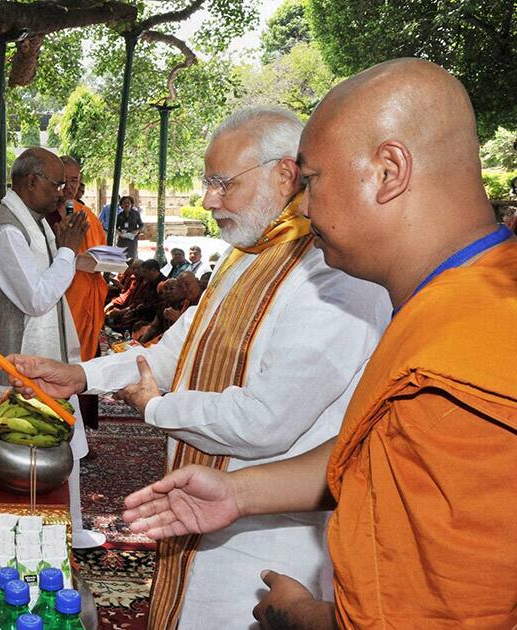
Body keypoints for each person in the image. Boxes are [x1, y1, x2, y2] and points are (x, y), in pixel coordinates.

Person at [122, 59, 517, 629]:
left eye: (311, 181)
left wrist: (307, 617)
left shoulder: (477, 347)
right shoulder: (444, 300)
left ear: (389, 171)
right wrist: (239, 491)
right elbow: (370, 450)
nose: (302, 207)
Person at [2, 106, 391, 629]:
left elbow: (266, 420)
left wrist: (157, 409)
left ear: (284, 174)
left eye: (221, 183)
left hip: (269, 536)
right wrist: (84, 376)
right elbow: (180, 346)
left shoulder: (335, 276)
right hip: (201, 503)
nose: (209, 200)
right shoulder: (249, 253)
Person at [0, 147, 105, 549]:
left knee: (66, 440)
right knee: (14, 462)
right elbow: (36, 298)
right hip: (13, 366)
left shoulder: (38, 223)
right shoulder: (7, 231)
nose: (64, 192)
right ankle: (16, 543)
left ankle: (71, 527)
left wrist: (67, 248)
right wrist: (67, 248)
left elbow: (54, 276)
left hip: (47, 362)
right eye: (57, 184)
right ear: (31, 182)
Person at [49, 156, 108, 361]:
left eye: (74, 180)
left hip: (88, 292)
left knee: (86, 360)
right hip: (61, 294)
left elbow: (103, 249)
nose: (69, 186)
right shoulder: (45, 215)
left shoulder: (86, 215)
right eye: (64, 180)